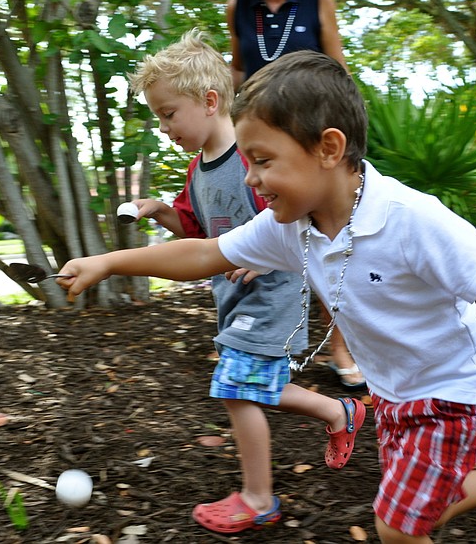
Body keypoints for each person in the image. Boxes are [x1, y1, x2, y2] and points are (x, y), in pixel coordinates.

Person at [60, 51, 476, 544]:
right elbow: (203, 255)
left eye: (263, 160)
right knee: (417, 505)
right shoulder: (292, 224)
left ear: (329, 148)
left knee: (397, 526)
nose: (252, 178)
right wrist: (107, 262)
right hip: (393, 393)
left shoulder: (411, 219)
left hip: (452, 392)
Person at [123, 32, 365, 535]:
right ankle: (337, 410)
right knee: (256, 384)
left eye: (169, 113)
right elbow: (197, 234)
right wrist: (162, 211)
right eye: (158, 116)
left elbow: (296, 220)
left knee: (236, 388)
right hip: (233, 298)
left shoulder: (253, 160)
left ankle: (259, 498)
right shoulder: (199, 170)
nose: (164, 126)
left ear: (210, 102)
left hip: (276, 293)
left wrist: (261, 258)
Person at [228, 0, 365, 389]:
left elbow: (337, 69)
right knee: (276, 237)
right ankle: (265, 344)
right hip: (262, 141)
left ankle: (341, 346)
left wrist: (350, 135)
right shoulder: (238, 6)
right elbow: (238, 69)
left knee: (330, 237)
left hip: (308, 139)